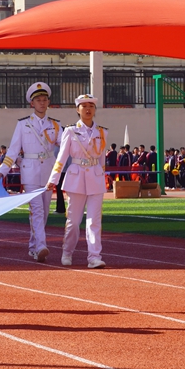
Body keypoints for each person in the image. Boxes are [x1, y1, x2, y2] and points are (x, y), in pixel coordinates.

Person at [0, 82, 61, 262]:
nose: (42, 103)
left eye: (44, 99)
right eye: (38, 100)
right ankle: (41, 245)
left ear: (48, 102)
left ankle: (33, 246)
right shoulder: (23, 125)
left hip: (48, 170)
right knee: (37, 210)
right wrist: (3, 171)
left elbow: (65, 146)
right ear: (32, 103)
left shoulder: (55, 125)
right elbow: (13, 150)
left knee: (45, 212)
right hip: (30, 171)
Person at [46, 94, 108, 269]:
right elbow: (61, 157)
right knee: (73, 221)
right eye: (84, 106)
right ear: (77, 109)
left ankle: (94, 256)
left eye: (91, 106)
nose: (88, 109)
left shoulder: (102, 132)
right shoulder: (70, 131)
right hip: (76, 177)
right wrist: (53, 180)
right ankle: (67, 251)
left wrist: (102, 177)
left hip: (95, 178)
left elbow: (102, 159)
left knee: (94, 221)